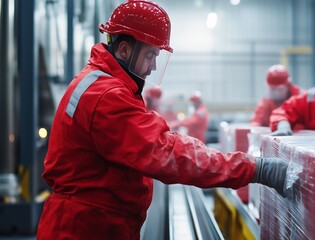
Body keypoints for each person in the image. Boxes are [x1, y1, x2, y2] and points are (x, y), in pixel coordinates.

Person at [36, 1, 290, 239]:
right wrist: (254, 168)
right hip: (85, 228)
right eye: (150, 55)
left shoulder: (101, 83)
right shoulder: (106, 96)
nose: (153, 66)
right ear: (124, 49)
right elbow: (166, 153)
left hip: (93, 222)